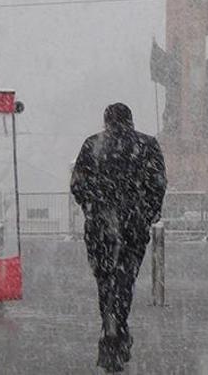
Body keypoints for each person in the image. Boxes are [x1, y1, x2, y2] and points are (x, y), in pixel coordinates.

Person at [70, 103, 167, 372]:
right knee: (125, 277)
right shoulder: (147, 145)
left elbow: (78, 184)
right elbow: (157, 185)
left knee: (104, 278)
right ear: (131, 120)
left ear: (106, 121)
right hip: (133, 225)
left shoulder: (93, 145)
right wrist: (146, 214)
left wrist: (93, 207)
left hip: (100, 225)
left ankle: (110, 325)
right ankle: (118, 325)